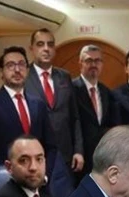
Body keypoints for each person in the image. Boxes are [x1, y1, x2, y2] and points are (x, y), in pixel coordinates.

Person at [0, 46, 56, 171]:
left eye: (21, 64)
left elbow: (50, 145)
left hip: (39, 176)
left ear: (27, 70)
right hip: (7, 176)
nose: (17, 70)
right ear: (1, 71)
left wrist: (44, 171)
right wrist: (6, 174)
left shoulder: (38, 104)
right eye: (10, 65)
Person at [25, 28, 84, 180]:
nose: (46, 49)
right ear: (32, 49)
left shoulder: (64, 76)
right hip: (34, 156)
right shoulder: (24, 77)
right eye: (40, 44)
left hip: (65, 156)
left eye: (50, 44)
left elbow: (75, 117)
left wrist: (78, 150)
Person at [74, 44, 117, 177]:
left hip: (102, 160)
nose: (93, 64)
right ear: (80, 63)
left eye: (97, 60)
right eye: (89, 60)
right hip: (79, 160)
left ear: (102, 64)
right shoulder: (70, 89)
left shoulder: (106, 92)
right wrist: (77, 151)